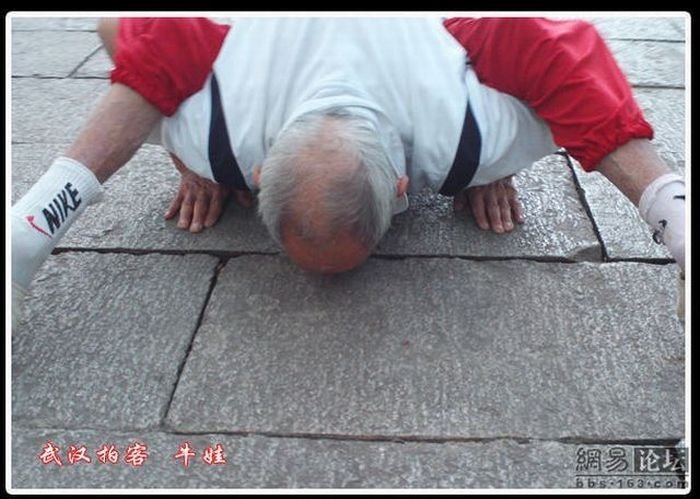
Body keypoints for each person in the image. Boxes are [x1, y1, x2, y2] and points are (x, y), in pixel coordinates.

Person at [11, 17, 685, 303]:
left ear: (250, 174)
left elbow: (537, 44)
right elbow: (553, 55)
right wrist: (188, 156)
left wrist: (493, 157)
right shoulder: (214, 135)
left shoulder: (465, 139)